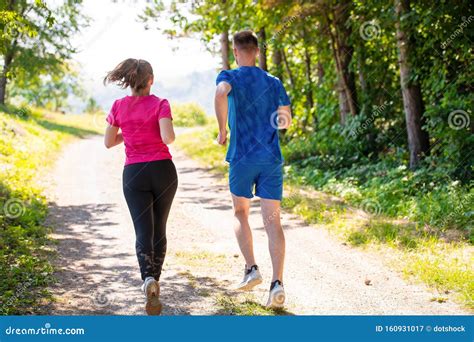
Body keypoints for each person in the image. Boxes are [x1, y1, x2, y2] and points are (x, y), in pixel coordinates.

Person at [214, 30, 292, 308]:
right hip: (271, 158)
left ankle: (251, 269)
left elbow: (221, 94)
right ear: (257, 51)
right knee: (273, 221)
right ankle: (278, 284)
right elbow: (285, 121)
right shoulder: (273, 82)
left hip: (242, 157)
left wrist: (223, 131)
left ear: (236, 52)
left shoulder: (230, 77)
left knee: (240, 212)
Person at [103, 58, 178, 315]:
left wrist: (131, 131)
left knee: (142, 231)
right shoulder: (161, 104)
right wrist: (159, 129)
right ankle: (155, 281)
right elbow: (168, 137)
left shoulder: (119, 106)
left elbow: (109, 142)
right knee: (160, 229)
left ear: (129, 81)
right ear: (151, 80)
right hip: (163, 171)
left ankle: (147, 279)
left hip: (134, 173)